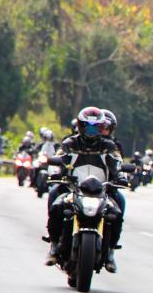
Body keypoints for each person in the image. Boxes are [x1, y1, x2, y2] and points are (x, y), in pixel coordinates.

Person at [44, 106, 125, 273]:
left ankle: (110, 252)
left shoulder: (109, 145)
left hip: (100, 190)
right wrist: (57, 172)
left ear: (102, 128)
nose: (91, 131)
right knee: (56, 204)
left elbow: (117, 162)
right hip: (74, 189)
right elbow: (60, 158)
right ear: (80, 126)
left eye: (96, 127)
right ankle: (53, 245)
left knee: (116, 212)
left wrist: (120, 175)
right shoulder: (70, 143)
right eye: (87, 126)